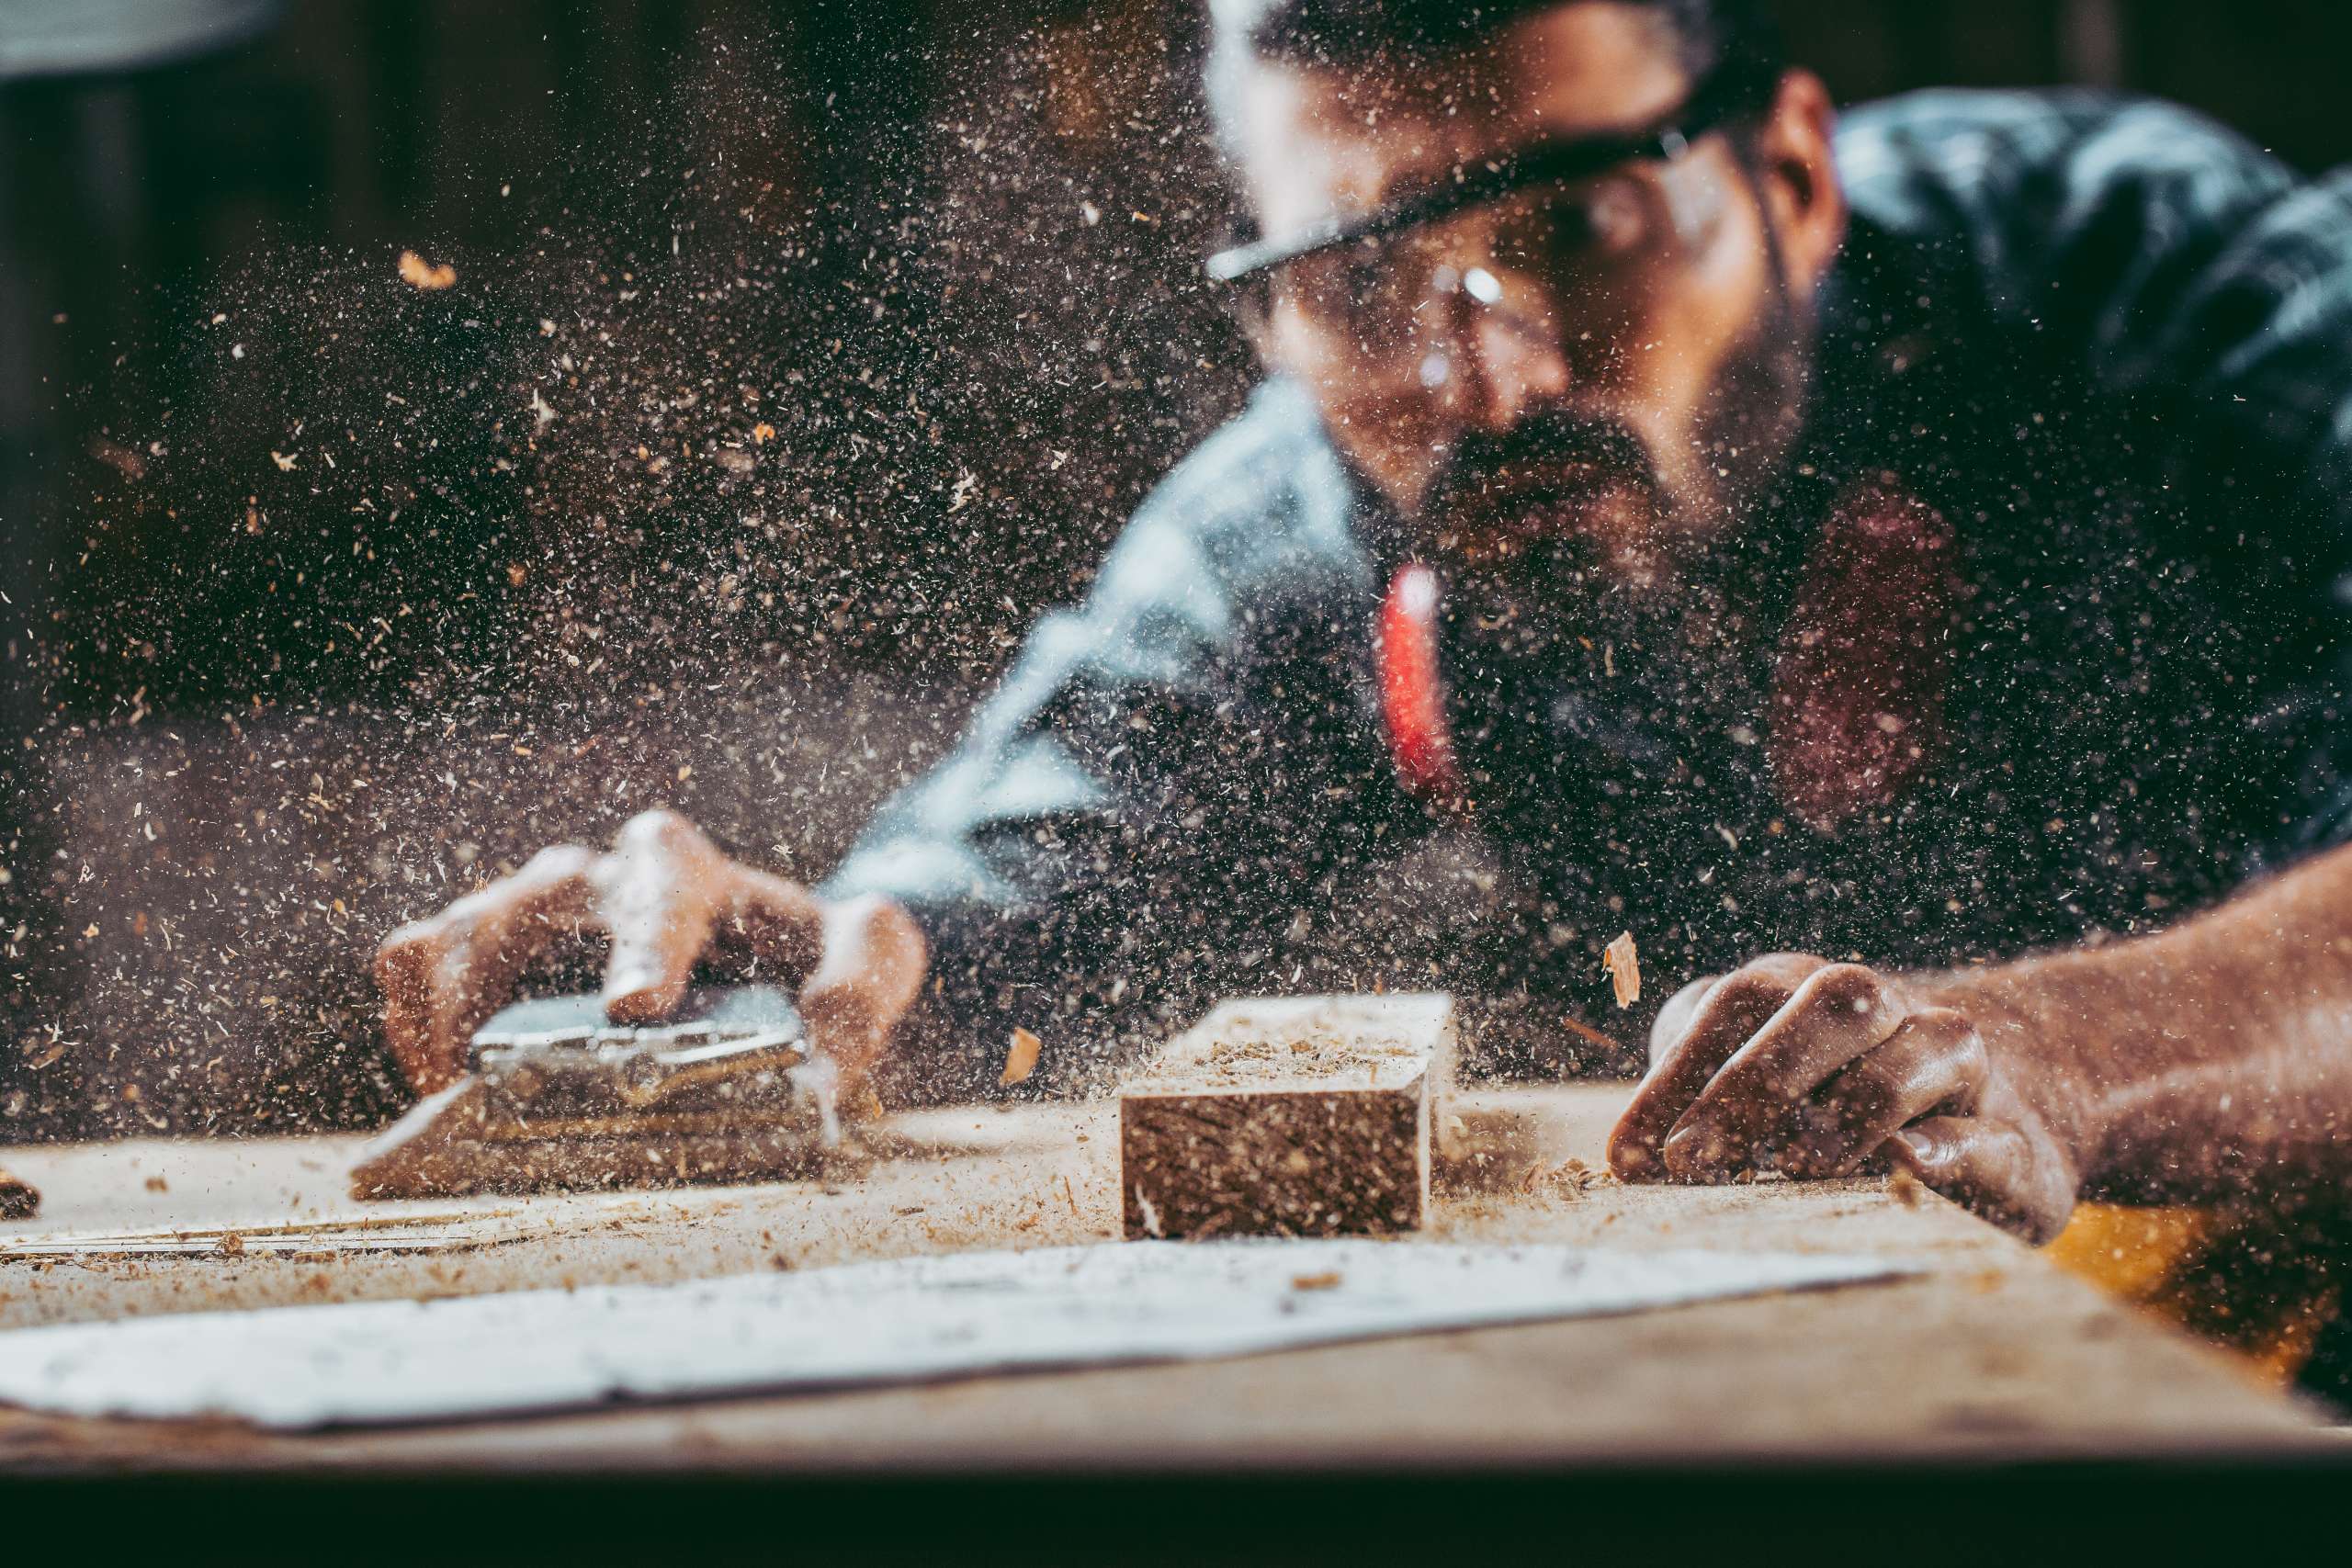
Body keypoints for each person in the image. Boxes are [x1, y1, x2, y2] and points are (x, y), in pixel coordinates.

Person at [377, 0, 2352, 1250]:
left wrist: (2049, 1052)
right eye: (1357, 276)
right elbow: (948, 944)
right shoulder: (1304, 520)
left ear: (1791, 171)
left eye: (1570, 226)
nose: (1481, 370)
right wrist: (780, 981)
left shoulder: (2160, 291)